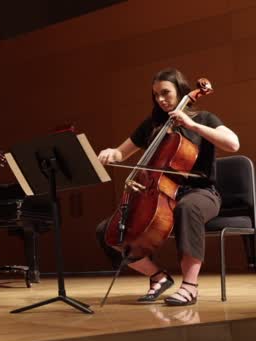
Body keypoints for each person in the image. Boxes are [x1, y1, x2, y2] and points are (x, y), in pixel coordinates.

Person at [96, 68, 240, 306]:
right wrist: (112, 152)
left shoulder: (204, 118)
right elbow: (122, 152)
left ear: (180, 91)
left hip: (200, 193)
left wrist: (192, 126)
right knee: (107, 230)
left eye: (165, 93)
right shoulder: (152, 126)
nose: (160, 99)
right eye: (155, 95)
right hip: (158, 195)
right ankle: (158, 277)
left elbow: (233, 144)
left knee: (187, 208)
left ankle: (190, 286)